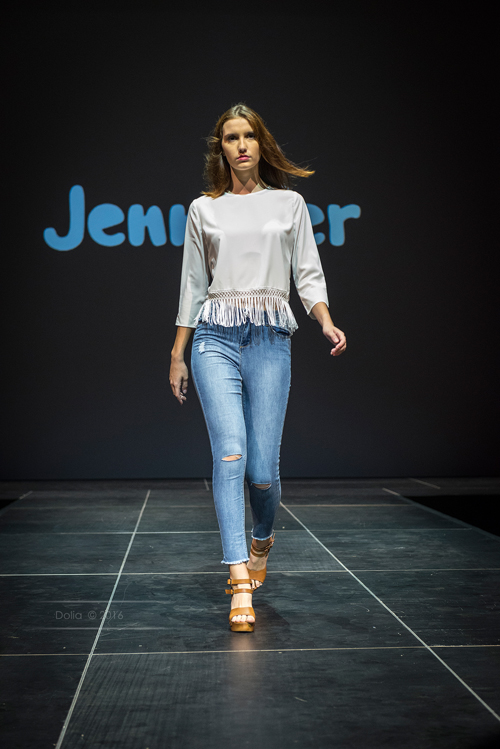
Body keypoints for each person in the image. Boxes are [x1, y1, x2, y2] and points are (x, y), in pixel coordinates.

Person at [169, 103, 346, 632]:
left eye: (248, 136)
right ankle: (239, 579)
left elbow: (308, 273)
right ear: (220, 148)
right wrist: (177, 353)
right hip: (214, 338)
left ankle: (262, 539)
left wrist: (325, 320)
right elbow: (193, 285)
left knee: (262, 472)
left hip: (270, 339)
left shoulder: (289, 203)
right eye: (231, 137)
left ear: (261, 143)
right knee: (229, 455)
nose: (241, 145)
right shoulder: (204, 209)